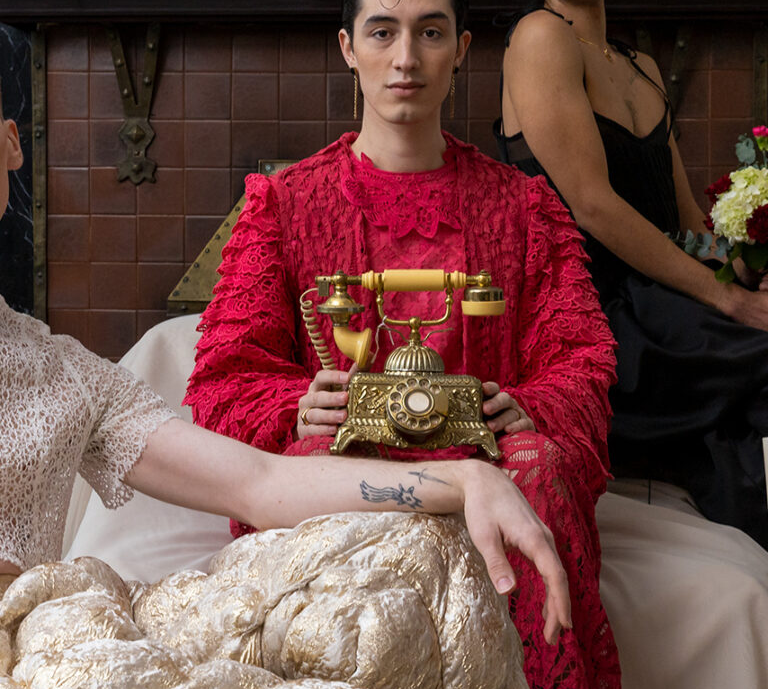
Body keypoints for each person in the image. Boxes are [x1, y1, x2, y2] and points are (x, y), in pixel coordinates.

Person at [184, 0, 621, 689]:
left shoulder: (524, 206)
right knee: (310, 452)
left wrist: (533, 405)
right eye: (383, 33)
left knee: (535, 468)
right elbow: (224, 370)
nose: (406, 59)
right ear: (348, 48)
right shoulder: (283, 205)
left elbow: (581, 353)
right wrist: (294, 401)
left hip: (487, 456)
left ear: (462, 50)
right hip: (346, 457)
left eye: (430, 33)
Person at [0, 80, 572, 634]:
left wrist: (466, 479)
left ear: (11, 144)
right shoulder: (286, 203)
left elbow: (261, 484)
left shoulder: (74, 380)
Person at [493, 0, 768, 549]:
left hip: (659, 298)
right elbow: (593, 206)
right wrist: (727, 302)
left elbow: (687, 224)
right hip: (594, 317)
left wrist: (744, 270)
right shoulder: (540, 37)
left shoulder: (640, 67)